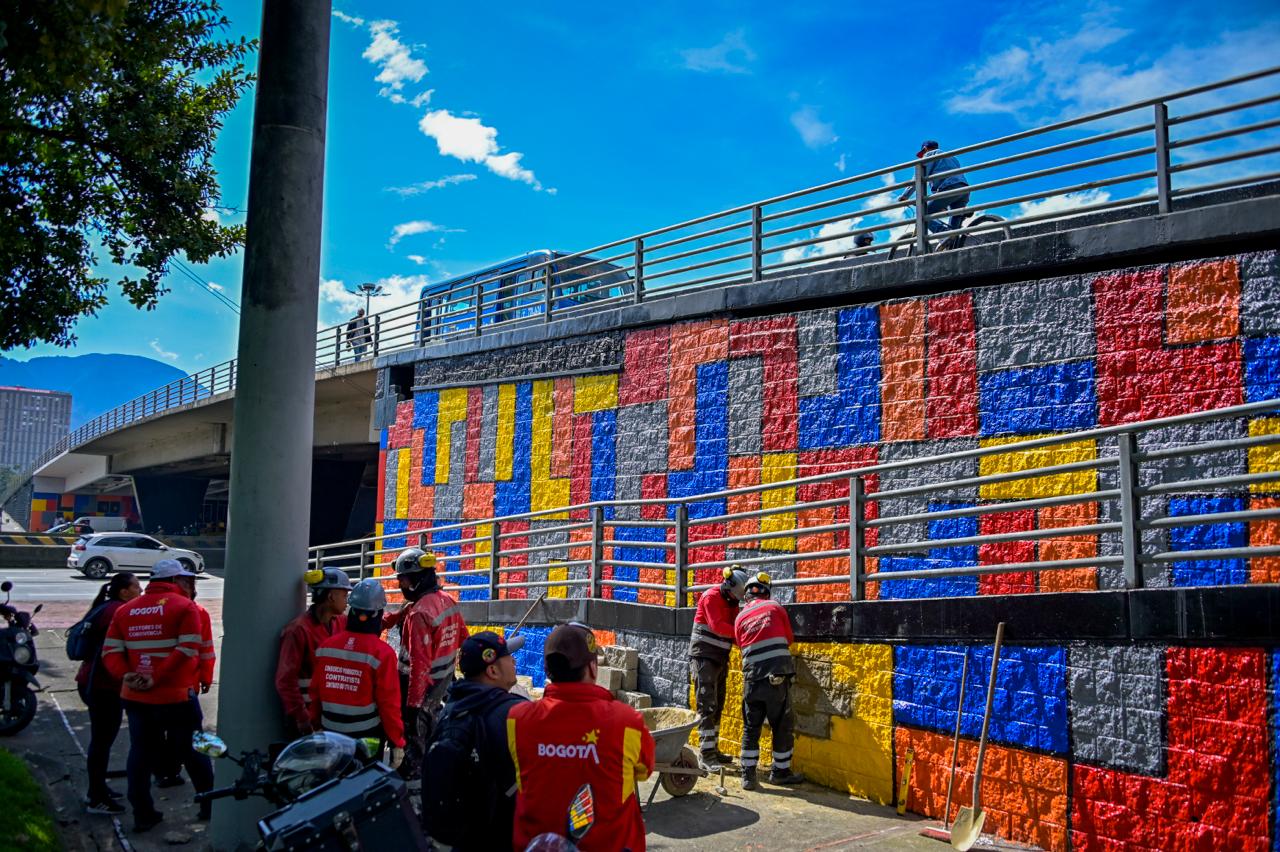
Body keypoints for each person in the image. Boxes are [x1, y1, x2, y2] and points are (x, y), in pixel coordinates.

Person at [507, 622, 655, 851]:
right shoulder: (627, 722)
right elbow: (645, 770)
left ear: (547, 670)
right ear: (594, 668)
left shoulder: (516, 720)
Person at [100, 559, 214, 832]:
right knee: (195, 751)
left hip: (135, 696)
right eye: (185, 580)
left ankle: (143, 812)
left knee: (140, 753)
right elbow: (188, 649)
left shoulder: (126, 610)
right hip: (175, 695)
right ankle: (209, 804)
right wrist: (157, 677)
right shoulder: (186, 607)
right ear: (174, 581)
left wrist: (125, 675)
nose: (189, 585)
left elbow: (110, 652)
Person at [421, 631, 528, 850]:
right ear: (492, 670)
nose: (513, 660)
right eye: (508, 656)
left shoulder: (452, 708)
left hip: (463, 840)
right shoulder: (514, 713)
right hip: (500, 836)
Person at [393, 547, 468, 781]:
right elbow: (463, 639)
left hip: (419, 690)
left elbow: (419, 665)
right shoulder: (447, 600)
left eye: (404, 580)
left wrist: (412, 707)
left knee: (416, 746)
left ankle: (417, 796)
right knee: (434, 737)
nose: (400, 586)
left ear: (418, 578)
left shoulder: (419, 614)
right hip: (440, 687)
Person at [312, 578, 405, 764]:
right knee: (363, 785)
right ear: (378, 614)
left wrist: (315, 727)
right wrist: (397, 742)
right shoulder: (382, 654)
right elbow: (389, 704)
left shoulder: (326, 647)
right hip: (366, 739)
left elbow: (315, 694)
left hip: (330, 734)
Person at [75, 572, 142, 815]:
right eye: (136, 587)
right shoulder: (118, 611)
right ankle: (96, 797)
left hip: (91, 681)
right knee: (102, 742)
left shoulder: (106, 607)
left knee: (101, 740)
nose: (140, 591)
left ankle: (99, 787)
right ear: (124, 591)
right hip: (102, 685)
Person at [733, 572, 805, 791]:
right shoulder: (775, 607)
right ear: (766, 592)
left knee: (751, 727)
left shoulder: (739, 618)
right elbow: (789, 638)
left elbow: (739, 644)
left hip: (752, 679)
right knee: (781, 725)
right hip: (776, 676)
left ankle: (748, 776)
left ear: (746, 595)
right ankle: (780, 772)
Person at [154, 576, 216, 800]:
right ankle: (207, 799)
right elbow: (205, 650)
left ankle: (164, 774)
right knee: (193, 742)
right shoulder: (196, 611)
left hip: (149, 690)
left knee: (155, 737)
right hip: (184, 688)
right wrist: (206, 677)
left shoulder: (145, 610)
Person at [275, 567, 351, 735]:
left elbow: (367, 624)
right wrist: (302, 718)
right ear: (331, 596)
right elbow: (285, 681)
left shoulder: (339, 622)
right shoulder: (297, 631)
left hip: (326, 714)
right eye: (344, 595)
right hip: (304, 717)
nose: (347, 601)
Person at [689, 566, 748, 769]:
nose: (736, 600)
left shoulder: (732, 601)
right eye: (735, 595)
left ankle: (713, 749)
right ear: (727, 585)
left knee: (718, 704)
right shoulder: (710, 597)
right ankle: (706, 755)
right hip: (704, 656)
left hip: (720, 658)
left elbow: (734, 627)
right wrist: (743, 635)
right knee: (707, 705)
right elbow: (718, 626)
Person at [898, 140, 971, 234]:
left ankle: (943, 233)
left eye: (923, 152)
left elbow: (918, 177)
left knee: (922, 214)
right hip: (964, 188)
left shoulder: (930, 154)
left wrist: (905, 196)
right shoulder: (952, 157)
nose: (923, 155)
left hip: (949, 187)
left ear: (925, 148)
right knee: (954, 228)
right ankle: (951, 241)